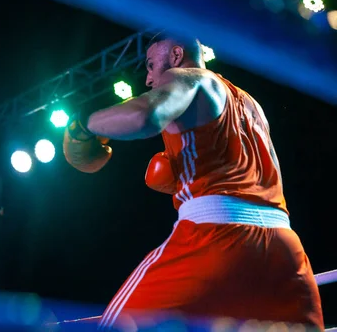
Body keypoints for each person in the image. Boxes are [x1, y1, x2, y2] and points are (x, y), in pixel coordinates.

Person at [63, 33, 324, 330]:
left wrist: (83, 124)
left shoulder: (190, 77)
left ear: (175, 56)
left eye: (150, 65)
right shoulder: (251, 105)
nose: (149, 79)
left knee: (114, 327)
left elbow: (145, 115)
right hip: (285, 250)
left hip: (216, 237)